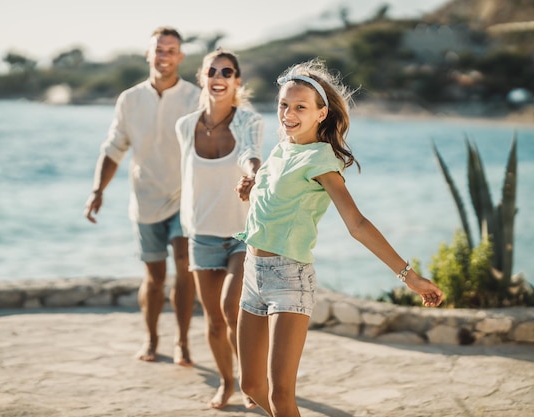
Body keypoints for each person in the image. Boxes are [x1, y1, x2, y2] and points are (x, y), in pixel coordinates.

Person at [233, 59, 444, 417]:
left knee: (282, 394)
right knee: (251, 386)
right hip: (253, 272)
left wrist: (409, 276)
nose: (288, 113)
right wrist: (252, 188)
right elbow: (277, 200)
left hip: (289, 278)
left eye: (301, 107)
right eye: (284, 104)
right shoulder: (283, 148)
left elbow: (357, 223)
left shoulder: (321, 160)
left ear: (321, 114)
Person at [84, 27, 200, 367]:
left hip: (185, 198)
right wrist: (97, 190)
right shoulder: (129, 99)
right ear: (149, 55)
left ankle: (182, 342)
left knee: (184, 266)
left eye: (171, 50)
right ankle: (151, 339)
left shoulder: (196, 97)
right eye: (159, 50)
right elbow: (113, 148)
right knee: (154, 276)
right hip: (145, 199)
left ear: (180, 57)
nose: (164, 55)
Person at [175, 48, 263, 409]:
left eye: (227, 72)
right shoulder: (185, 126)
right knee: (213, 323)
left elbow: (250, 153)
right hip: (202, 234)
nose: (219, 77)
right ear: (202, 77)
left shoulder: (248, 121)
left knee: (232, 310)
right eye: (212, 71)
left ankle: (251, 382)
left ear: (237, 81)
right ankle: (227, 383)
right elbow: (185, 177)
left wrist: (253, 175)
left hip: (242, 233)